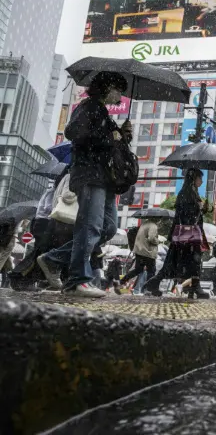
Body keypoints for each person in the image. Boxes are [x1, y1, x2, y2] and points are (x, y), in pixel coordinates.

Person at [37, 72, 130, 298]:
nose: (120, 95)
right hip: (89, 175)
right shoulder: (89, 107)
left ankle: (53, 259)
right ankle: (77, 279)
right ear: (107, 87)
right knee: (89, 226)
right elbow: (73, 132)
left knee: (107, 227)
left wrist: (122, 135)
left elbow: (106, 144)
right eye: (118, 89)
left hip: (104, 178)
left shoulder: (103, 113)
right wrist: (111, 137)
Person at [145, 168, 209, 299]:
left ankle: (155, 281)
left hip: (184, 236)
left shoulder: (190, 192)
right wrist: (198, 209)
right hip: (188, 235)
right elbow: (187, 215)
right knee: (193, 261)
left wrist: (201, 209)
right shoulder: (187, 193)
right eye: (199, 178)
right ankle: (195, 288)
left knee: (174, 262)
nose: (201, 181)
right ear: (193, 179)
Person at [120, 218, 160, 292]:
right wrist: (157, 241)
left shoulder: (143, 224)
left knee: (138, 269)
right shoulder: (153, 226)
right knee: (151, 271)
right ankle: (149, 289)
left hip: (139, 251)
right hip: (148, 252)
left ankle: (122, 281)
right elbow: (151, 238)